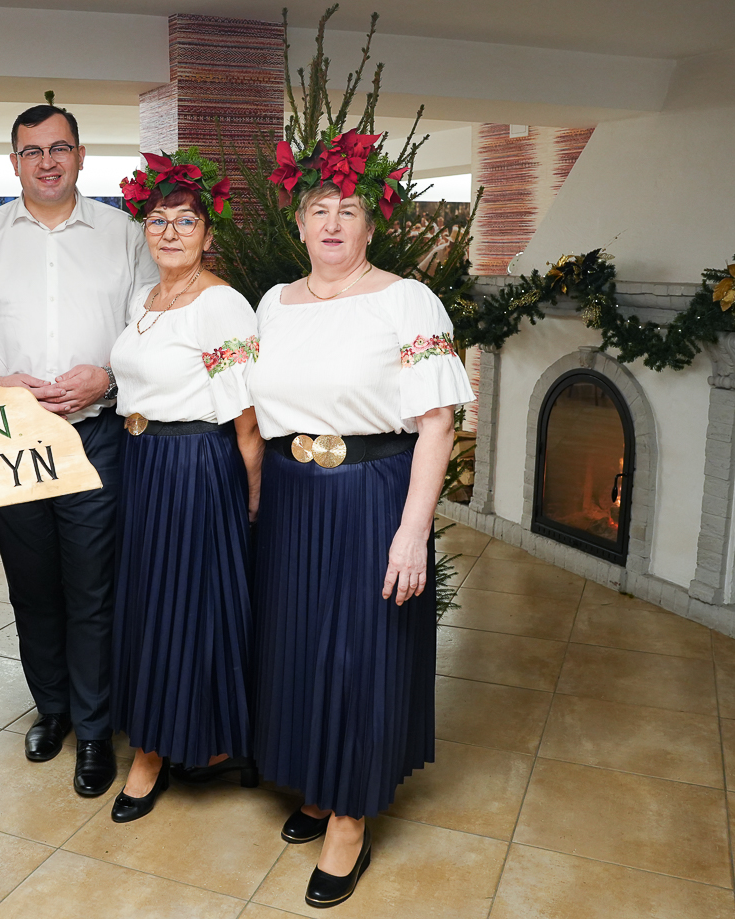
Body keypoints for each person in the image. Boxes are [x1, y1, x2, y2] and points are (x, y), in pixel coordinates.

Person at [249, 135, 473, 908]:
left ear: (370, 224)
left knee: (359, 651)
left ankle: (350, 816)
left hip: (371, 491)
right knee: (301, 645)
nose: (333, 223)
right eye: (319, 210)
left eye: (348, 210)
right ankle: (319, 783)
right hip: (291, 493)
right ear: (299, 224)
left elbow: (438, 423)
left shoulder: (407, 301)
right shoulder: (272, 304)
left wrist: (411, 531)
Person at [0, 101, 158, 797]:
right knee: (32, 586)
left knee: (92, 587)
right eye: (32, 151)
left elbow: (151, 325)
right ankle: (53, 708)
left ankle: (94, 729)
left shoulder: (126, 236)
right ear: (14, 163)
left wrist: (110, 374)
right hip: (11, 441)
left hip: (96, 436)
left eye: (60, 148)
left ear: (82, 156)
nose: (47, 161)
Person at [106, 152, 263, 823]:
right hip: (141, 460)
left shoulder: (222, 304)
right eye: (158, 220)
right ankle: (169, 731)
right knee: (148, 601)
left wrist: (251, 496)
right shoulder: (143, 297)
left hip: (197, 463)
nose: (169, 232)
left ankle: (158, 752)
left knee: (188, 604)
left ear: (207, 232)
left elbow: (247, 416)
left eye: (185, 221)